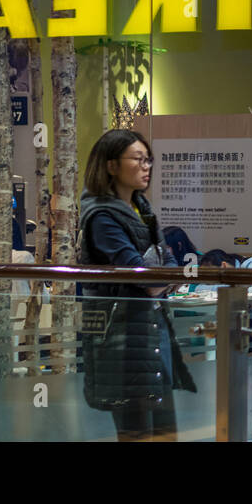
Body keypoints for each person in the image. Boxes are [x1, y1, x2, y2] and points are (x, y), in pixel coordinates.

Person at [76, 129, 196, 441]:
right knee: (137, 432)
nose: (146, 167)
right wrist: (158, 275)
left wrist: (159, 275)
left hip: (150, 334)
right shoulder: (101, 215)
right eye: (138, 159)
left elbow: (168, 264)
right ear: (111, 165)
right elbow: (144, 276)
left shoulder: (143, 209)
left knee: (165, 432)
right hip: (122, 340)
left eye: (148, 160)